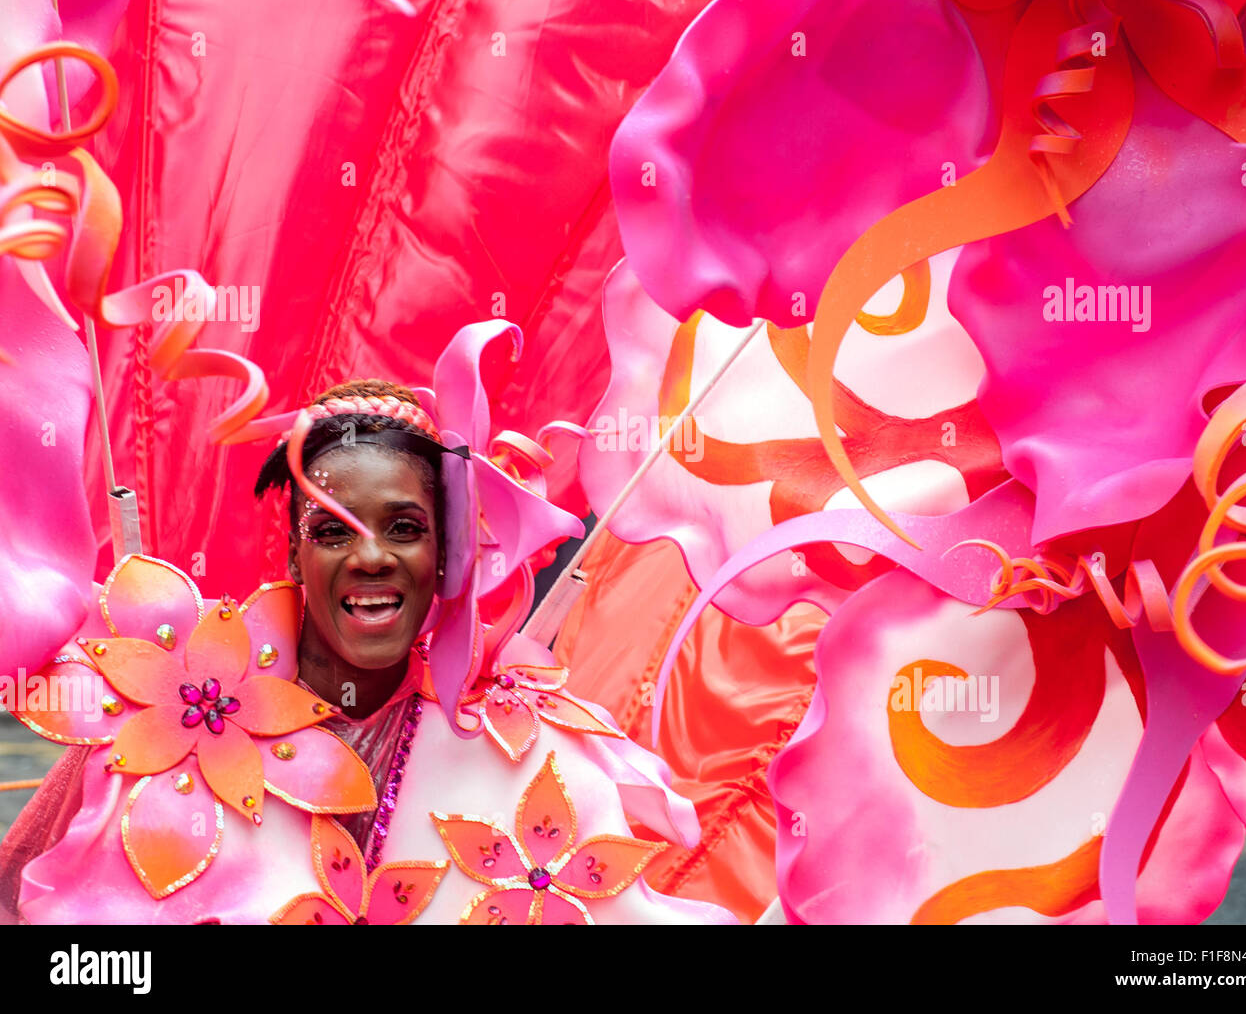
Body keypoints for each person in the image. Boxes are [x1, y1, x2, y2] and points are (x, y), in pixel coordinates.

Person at [0, 324, 733, 925]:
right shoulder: (165, 725)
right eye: (333, 531)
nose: (371, 556)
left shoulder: (535, 755)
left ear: (446, 553)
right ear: (293, 552)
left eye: (404, 527)